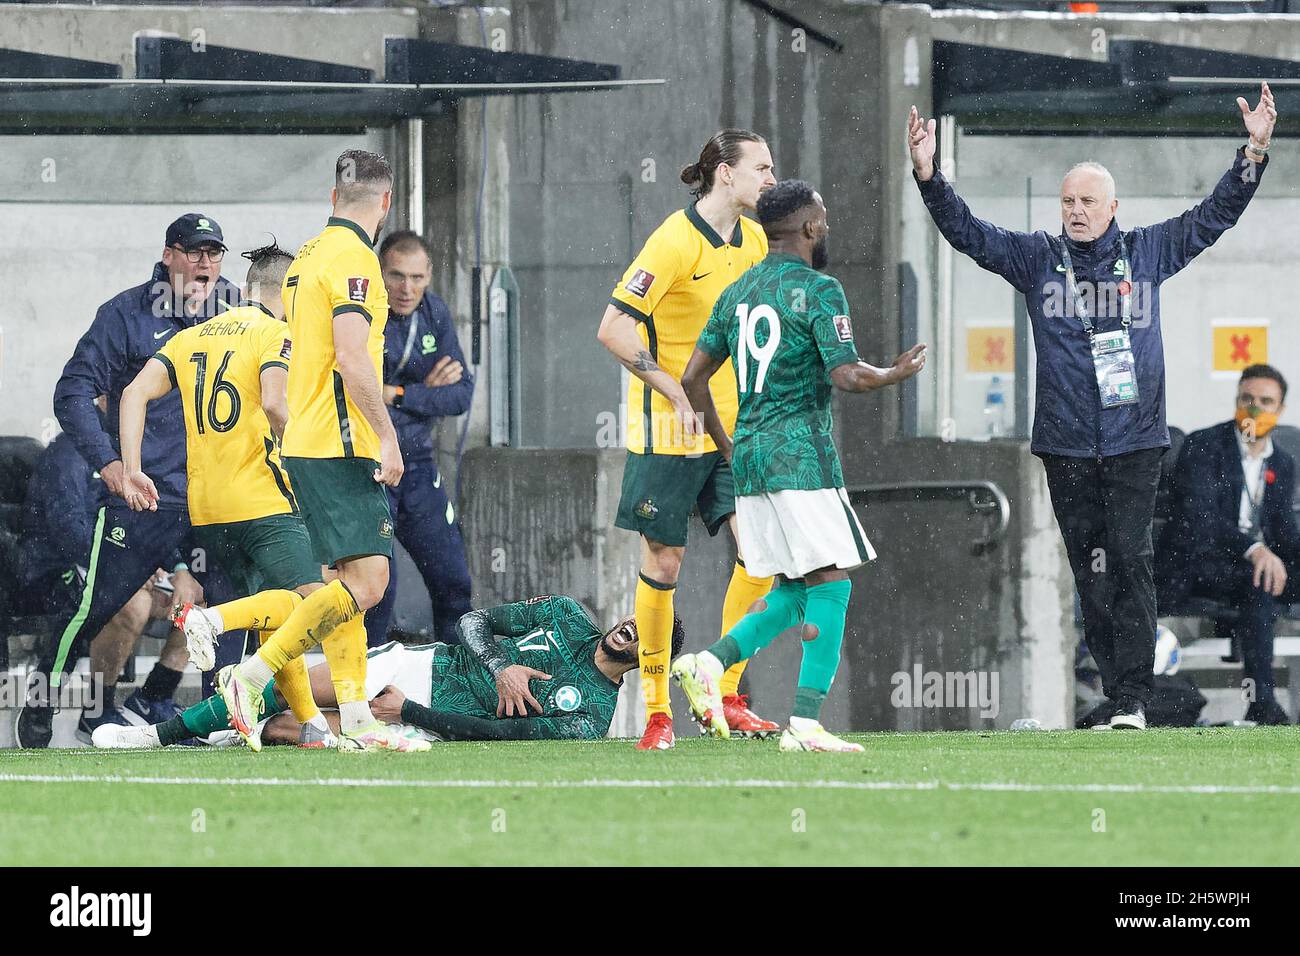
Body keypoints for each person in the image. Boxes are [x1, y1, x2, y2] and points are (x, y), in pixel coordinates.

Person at [907, 82, 1277, 731]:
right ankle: (1117, 689)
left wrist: (1254, 153)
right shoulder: (1037, 258)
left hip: (1137, 440)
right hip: (1066, 443)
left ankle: (1133, 698)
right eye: (1067, 202)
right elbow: (969, 234)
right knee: (1091, 568)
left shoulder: (1152, 250)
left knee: (1130, 559)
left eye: (1086, 202)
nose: (1075, 211)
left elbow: (1214, 216)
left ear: (1113, 207)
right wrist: (930, 176)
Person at [673, 180, 927, 752]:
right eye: (824, 219)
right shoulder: (819, 289)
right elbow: (845, 374)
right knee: (832, 581)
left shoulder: (738, 290)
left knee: (793, 586)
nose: (828, 227)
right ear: (808, 228)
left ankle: (709, 666)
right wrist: (889, 374)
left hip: (753, 459)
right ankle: (807, 724)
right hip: (800, 458)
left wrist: (726, 443)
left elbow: (691, 379)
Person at [117, 241, 359, 751]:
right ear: (289, 292)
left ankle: (310, 724)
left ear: (245, 290)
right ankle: (224, 639)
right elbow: (274, 403)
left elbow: (132, 392)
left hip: (210, 512)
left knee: (277, 623)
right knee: (316, 603)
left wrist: (132, 469)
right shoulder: (278, 333)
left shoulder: (192, 338)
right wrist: (317, 469)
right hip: (267, 501)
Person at [214, 149, 415, 753]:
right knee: (371, 583)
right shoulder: (356, 260)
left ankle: (354, 717)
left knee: (338, 584)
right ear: (386, 202)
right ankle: (251, 675)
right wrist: (387, 433)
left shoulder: (305, 256)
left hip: (302, 439)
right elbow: (353, 358)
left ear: (334, 198)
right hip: (339, 441)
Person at [17, 213, 238, 748]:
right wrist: (111, 464)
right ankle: (44, 700)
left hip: (214, 497)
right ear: (168, 256)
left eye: (214, 253)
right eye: (193, 252)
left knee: (226, 607)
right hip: (143, 499)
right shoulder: (125, 315)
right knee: (97, 604)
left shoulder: (233, 312)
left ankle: (209, 717)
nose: (205, 263)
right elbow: (71, 392)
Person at [596, 129, 780, 750]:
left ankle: (721, 692)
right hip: (668, 432)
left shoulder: (755, 240)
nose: (770, 180)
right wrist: (675, 391)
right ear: (725, 174)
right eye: (762, 168)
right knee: (665, 563)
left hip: (733, 430)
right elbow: (614, 329)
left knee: (759, 554)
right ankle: (656, 712)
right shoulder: (673, 242)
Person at [93, 596, 674, 748]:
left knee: (287, 730)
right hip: (415, 665)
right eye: (639, 616)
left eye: (650, 635)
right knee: (279, 690)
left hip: (424, 720)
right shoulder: (569, 616)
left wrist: (412, 714)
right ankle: (154, 733)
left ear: (652, 660)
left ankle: (218, 735)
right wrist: (501, 667)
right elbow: (473, 623)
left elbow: (505, 734)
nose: (631, 626)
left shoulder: (591, 717)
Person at [15, 423, 177, 742]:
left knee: (195, 600)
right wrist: (124, 569)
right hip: (51, 570)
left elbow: (146, 518)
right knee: (130, 603)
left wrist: (174, 566)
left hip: (110, 567)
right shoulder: (69, 451)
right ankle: (61, 706)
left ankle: (152, 699)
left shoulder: (131, 452)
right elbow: (67, 527)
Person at [1157, 364, 1299, 725]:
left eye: (1265, 402)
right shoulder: (1205, 445)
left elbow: (1283, 532)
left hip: (1250, 568)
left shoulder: (1282, 463)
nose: (1254, 409)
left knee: (1261, 579)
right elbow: (1200, 519)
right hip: (1199, 564)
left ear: (1280, 411)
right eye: (1247, 399)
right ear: (1236, 400)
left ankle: (1263, 703)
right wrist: (1256, 551)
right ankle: (1262, 703)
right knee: (1258, 582)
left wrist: (1281, 556)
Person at [364, 230, 474, 646]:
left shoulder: (435, 312)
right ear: (380, 272)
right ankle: (365, 694)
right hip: (371, 465)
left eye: (416, 277)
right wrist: (425, 393)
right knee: (378, 590)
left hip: (418, 463)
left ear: (429, 275)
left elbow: (461, 395)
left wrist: (401, 393)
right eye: (396, 276)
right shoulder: (365, 313)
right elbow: (360, 390)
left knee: (453, 580)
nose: (406, 289)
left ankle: (453, 686)